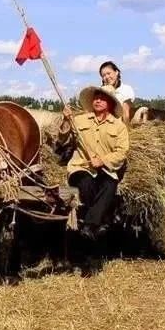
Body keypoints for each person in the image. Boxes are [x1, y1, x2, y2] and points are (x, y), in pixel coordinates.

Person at [57, 84, 129, 241]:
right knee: (87, 183)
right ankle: (101, 221)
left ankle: (89, 225)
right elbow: (62, 140)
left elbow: (121, 152)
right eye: (96, 97)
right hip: (80, 167)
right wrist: (65, 121)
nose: (98, 100)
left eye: (103, 98)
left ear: (110, 103)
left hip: (106, 169)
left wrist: (102, 160)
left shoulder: (119, 127)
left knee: (110, 185)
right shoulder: (78, 120)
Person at [99, 61, 135, 125]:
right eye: (103, 75)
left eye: (109, 73)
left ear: (116, 72)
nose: (107, 77)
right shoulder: (100, 91)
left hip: (120, 123)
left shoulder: (126, 89)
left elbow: (126, 112)